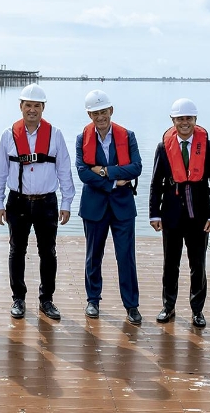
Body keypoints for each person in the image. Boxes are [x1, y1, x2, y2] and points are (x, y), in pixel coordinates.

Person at [0, 83, 75, 320]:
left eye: (36, 106)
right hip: (17, 202)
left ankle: (46, 300)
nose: (32, 110)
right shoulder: (8, 135)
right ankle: (18, 298)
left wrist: (66, 202)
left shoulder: (55, 135)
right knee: (16, 250)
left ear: (43, 108)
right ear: (21, 106)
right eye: (28, 105)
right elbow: (0, 171)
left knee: (48, 252)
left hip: (47, 202)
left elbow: (64, 170)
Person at [148, 98, 210, 328]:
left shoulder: (208, 147)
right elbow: (156, 182)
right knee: (170, 263)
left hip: (199, 216)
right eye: (180, 119)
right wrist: (154, 213)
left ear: (195, 120)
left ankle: (197, 310)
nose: (184, 123)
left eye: (188, 119)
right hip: (171, 214)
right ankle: (168, 306)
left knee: (197, 264)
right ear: (173, 121)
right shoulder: (163, 146)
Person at [75, 90, 143, 324]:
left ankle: (131, 305)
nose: (100, 117)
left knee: (126, 256)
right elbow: (83, 172)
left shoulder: (128, 136)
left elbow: (136, 168)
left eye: (103, 111)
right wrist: (114, 181)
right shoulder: (81, 138)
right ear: (89, 114)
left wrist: (105, 172)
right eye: (95, 113)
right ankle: (92, 300)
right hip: (94, 207)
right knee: (93, 256)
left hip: (123, 206)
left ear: (111, 111)